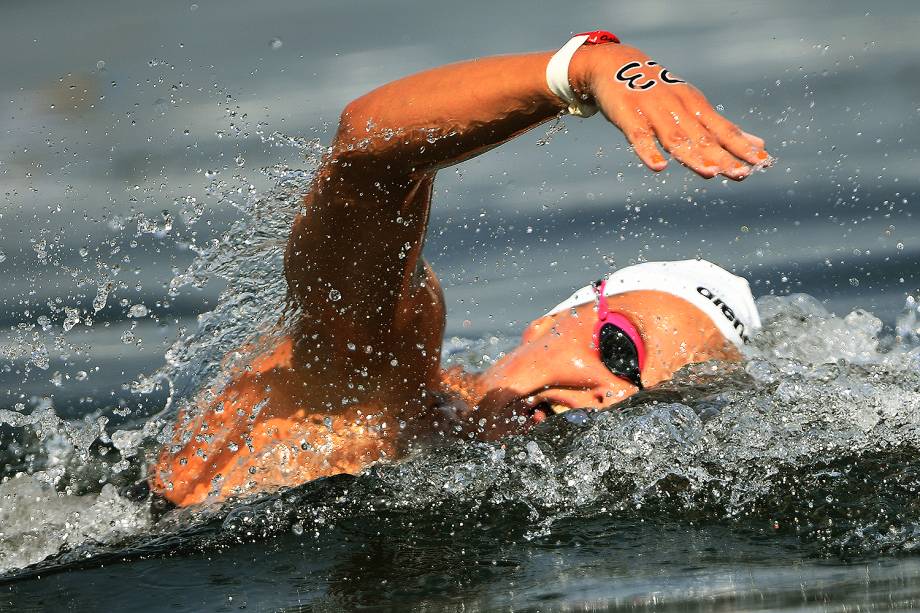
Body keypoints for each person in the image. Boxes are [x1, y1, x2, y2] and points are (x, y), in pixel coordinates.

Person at [149, 31, 770, 507]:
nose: (615, 394)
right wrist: (584, 68)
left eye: (652, 398)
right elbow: (369, 160)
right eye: (620, 349)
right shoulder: (381, 372)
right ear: (549, 322)